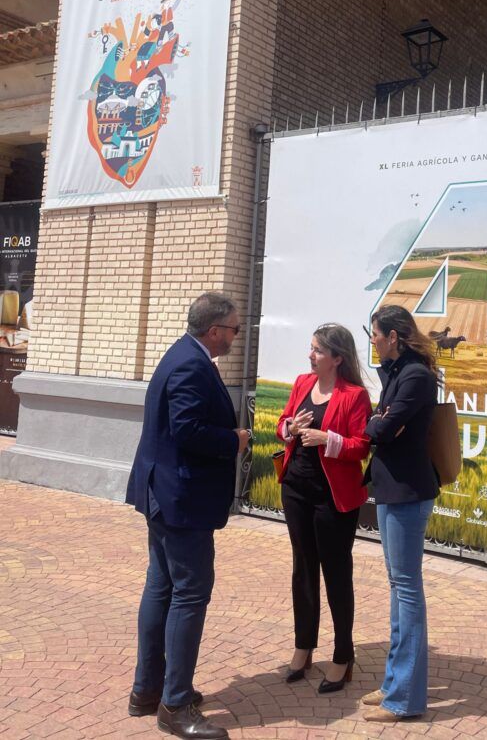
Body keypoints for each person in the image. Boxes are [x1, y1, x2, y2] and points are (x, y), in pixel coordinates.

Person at [125, 292, 251, 740]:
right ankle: (174, 706)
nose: (237, 336)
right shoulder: (191, 364)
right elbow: (186, 429)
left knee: (161, 587)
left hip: (167, 496)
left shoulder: (185, 355)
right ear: (215, 330)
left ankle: (148, 690)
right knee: (190, 594)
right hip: (181, 501)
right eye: (235, 329)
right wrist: (233, 440)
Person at [276, 323, 372, 693]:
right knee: (303, 570)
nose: (310, 355)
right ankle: (304, 647)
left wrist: (326, 439)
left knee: (335, 573)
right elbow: (282, 427)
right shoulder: (302, 383)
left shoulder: (355, 395)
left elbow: (361, 446)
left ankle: (343, 655)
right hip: (296, 490)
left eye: (317, 350)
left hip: (333, 498)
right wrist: (291, 428)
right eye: (311, 348)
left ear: (337, 357)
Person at [361, 305, 439, 722]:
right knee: (397, 586)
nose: (371, 339)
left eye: (374, 333)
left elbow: (379, 430)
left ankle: (405, 699)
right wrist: (382, 421)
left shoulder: (415, 376)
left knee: (407, 589)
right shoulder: (397, 372)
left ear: (393, 335)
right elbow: (381, 424)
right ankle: (394, 683)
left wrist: (382, 422)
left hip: (409, 492)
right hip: (392, 488)